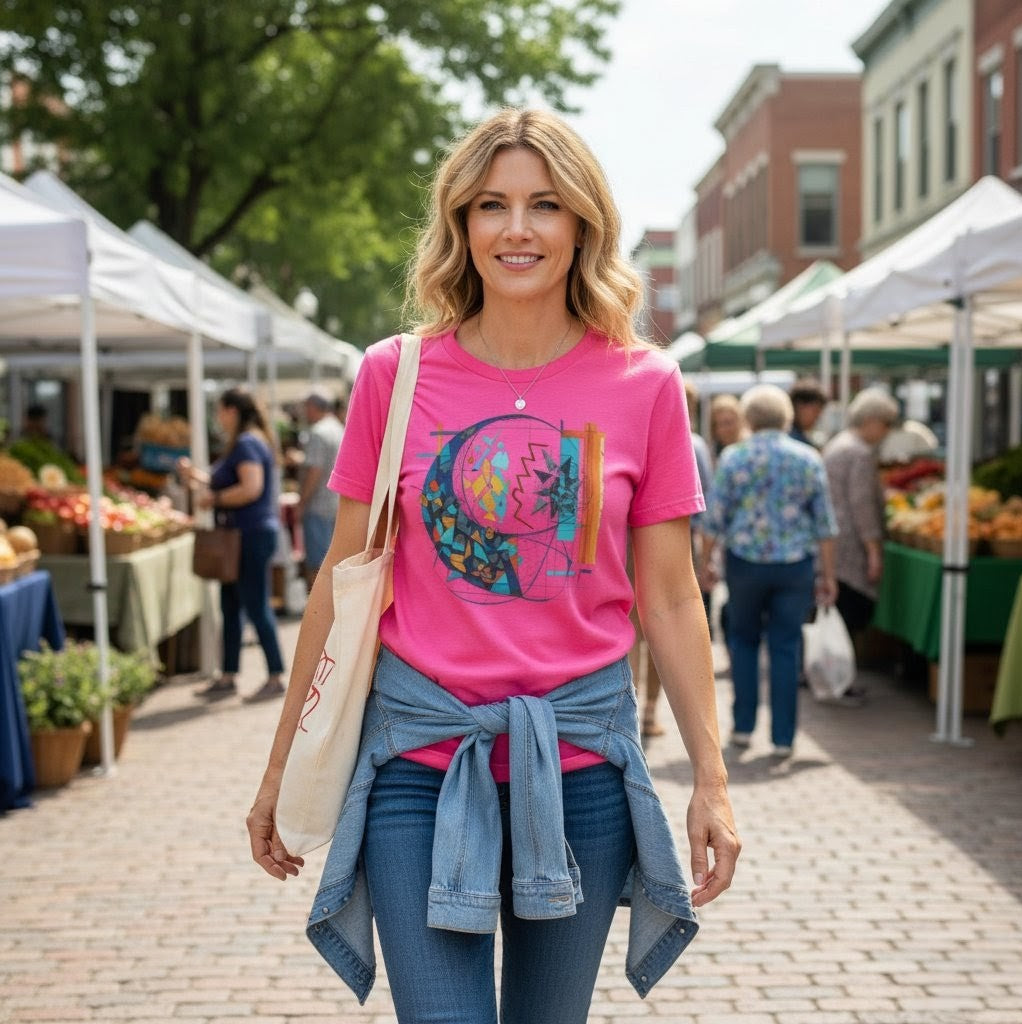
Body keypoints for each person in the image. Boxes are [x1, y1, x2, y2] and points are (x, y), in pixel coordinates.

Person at [245, 108, 740, 1023]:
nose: (517, 230)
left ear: (582, 223)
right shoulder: (393, 375)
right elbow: (339, 586)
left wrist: (710, 781)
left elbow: (671, 598)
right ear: (460, 225)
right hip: (420, 765)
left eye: (545, 205)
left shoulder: (646, 384)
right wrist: (279, 769)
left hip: (581, 769)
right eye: (491, 206)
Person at [700, 384, 839, 759]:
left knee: (743, 642)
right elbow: (825, 524)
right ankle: (783, 736)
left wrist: (705, 562)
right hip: (795, 565)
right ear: (787, 417)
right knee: (785, 646)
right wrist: (828, 575)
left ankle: (743, 727)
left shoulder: (733, 457)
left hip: (746, 562)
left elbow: (714, 518)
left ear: (748, 418)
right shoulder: (808, 457)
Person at [178, 388, 287, 703]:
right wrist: (198, 479)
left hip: (248, 536)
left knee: (255, 606)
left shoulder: (247, 442)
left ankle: (275, 675)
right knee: (231, 606)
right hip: (241, 536)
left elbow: (251, 488)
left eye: (220, 411)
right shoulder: (249, 442)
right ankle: (228, 675)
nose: (217, 418)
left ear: (231, 411)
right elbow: (233, 482)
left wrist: (215, 498)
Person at [633, 378, 713, 737]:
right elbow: (704, 499)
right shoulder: (695, 445)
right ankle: (649, 711)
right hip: (677, 542)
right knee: (661, 630)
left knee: (634, 633)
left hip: (629, 547)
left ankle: (632, 708)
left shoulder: (637, 428)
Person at [822, 387, 900, 679]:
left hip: (833, 543)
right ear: (871, 420)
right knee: (849, 615)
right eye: (886, 423)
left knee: (839, 613)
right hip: (849, 547)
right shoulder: (859, 453)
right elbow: (862, 505)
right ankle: (841, 677)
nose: (887, 431)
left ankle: (835, 675)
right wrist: (873, 552)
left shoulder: (838, 445)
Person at [295, 389, 346, 586]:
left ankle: (317, 613)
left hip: (318, 506)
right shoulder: (337, 428)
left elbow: (314, 471)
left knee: (317, 564)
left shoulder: (318, 432)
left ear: (313, 406)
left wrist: (302, 502)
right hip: (336, 504)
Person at [788, 377, 827, 448]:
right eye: (815, 411)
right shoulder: (793, 441)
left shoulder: (798, 437)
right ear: (799, 406)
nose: (818, 417)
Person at [709, 392, 747, 457]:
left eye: (728, 423)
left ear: (740, 421)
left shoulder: (748, 447)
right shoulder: (712, 451)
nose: (722, 429)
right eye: (718, 424)